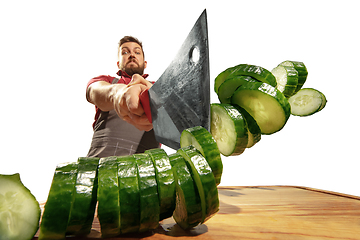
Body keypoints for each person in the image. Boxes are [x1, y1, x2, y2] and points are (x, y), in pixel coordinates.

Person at [85, 36, 160, 158]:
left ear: (145, 63)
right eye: (125, 52)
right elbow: (94, 91)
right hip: (99, 166)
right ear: (118, 63)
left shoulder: (159, 87)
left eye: (137, 52)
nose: (131, 55)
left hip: (147, 171)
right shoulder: (105, 81)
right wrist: (118, 94)